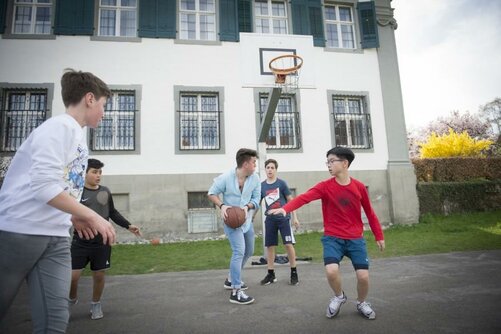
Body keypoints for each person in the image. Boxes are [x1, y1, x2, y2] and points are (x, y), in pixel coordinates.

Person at [0, 69, 116, 333]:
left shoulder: (78, 136)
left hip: (56, 236)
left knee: (55, 321)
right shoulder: (58, 127)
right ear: (89, 98)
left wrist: (72, 214)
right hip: (19, 232)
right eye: (103, 105)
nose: (104, 113)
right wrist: (91, 214)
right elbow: (42, 185)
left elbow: (61, 185)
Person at [269, 147, 385, 320]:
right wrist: (285, 209)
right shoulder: (325, 187)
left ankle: (361, 302)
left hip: (355, 238)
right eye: (327, 162)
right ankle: (339, 296)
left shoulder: (359, 187)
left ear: (344, 163)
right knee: (331, 271)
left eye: (332, 161)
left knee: (363, 276)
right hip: (333, 238)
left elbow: (370, 213)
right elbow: (304, 197)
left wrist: (379, 235)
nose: (328, 165)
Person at [69, 158, 141, 320]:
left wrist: (128, 226)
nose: (98, 175)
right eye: (94, 172)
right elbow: (67, 213)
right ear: (85, 173)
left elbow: (113, 212)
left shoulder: (105, 191)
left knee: (99, 275)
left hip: (102, 242)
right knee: (72, 277)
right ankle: (71, 299)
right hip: (80, 241)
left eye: (100, 172)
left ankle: (96, 304)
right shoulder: (76, 193)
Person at [208, 148, 261, 305]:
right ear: (245, 164)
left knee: (249, 251)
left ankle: (230, 279)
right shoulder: (225, 177)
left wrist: (247, 207)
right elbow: (211, 193)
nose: (255, 166)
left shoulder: (255, 178)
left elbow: (257, 198)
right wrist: (222, 205)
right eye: (254, 163)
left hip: (246, 220)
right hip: (231, 221)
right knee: (239, 251)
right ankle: (236, 291)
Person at [258, 159, 300, 286]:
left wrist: (295, 217)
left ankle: (294, 273)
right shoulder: (262, 186)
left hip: (283, 219)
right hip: (270, 220)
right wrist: (251, 216)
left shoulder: (281, 184)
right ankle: (271, 274)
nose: (270, 170)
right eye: (268, 167)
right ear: (265, 170)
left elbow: (291, 201)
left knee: (288, 245)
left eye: (272, 167)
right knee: (270, 246)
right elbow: (258, 202)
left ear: (276, 170)